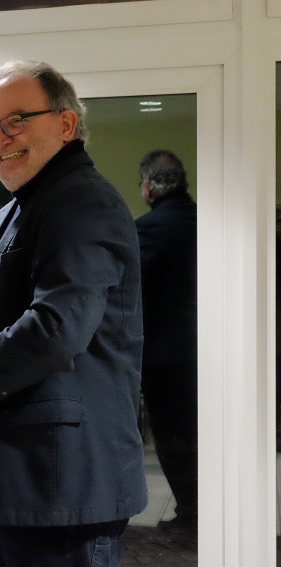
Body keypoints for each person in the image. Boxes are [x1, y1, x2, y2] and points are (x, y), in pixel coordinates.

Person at [0, 60, 147, 567]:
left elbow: (57, 328)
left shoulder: (81, 201)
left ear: (66, 124)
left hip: (62, 484)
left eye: (16, 121)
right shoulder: (17, 208)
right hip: (30, 479)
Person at [136, 150, 198, 531]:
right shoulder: (205, 221)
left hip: (167, 357)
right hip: (208, 349)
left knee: (174, 438)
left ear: (147, 187)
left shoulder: (150, 228)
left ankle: (191, 514)